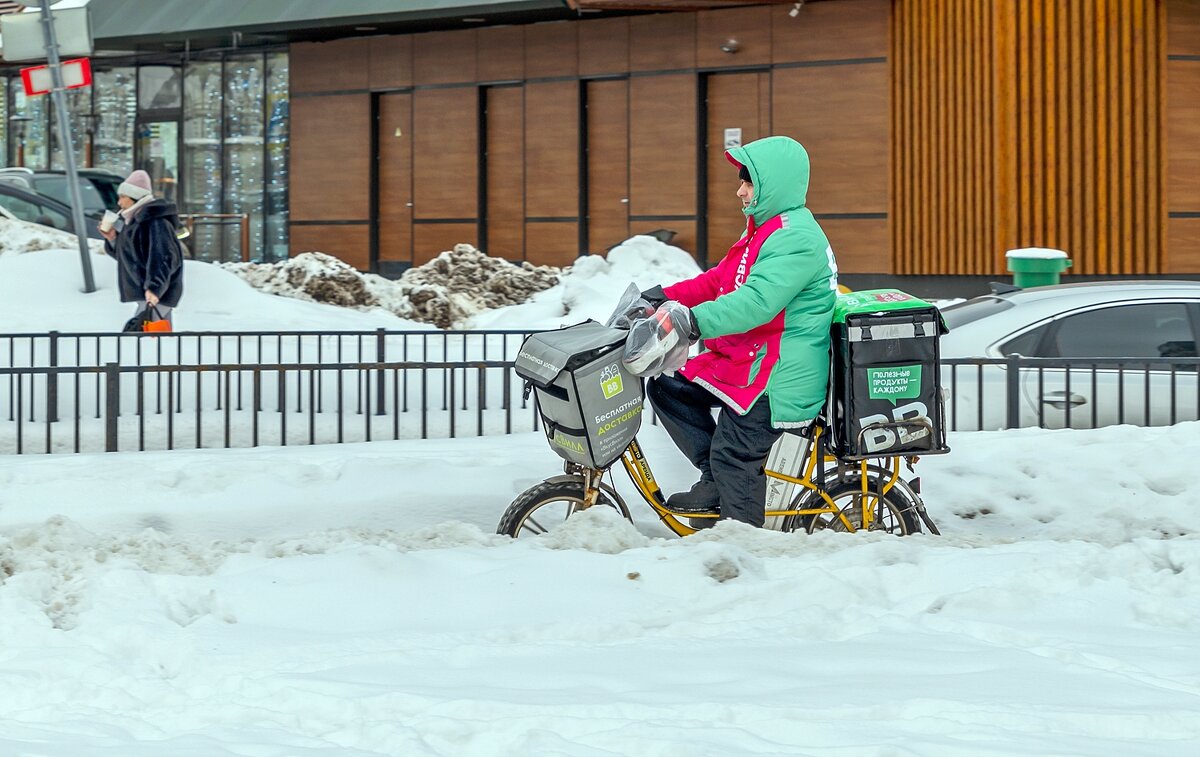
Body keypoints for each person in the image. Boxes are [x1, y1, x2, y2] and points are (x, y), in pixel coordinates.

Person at [639, 136, 839, 527]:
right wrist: (663, 298)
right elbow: (718, 283)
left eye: (748, 182)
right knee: (668, 388)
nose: (740, 190)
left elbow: (757, 302)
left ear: (772, 184)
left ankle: (744, 550)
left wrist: (693, 322)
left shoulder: (796, 238)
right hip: (748, 361)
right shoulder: (765, 231)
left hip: (778, 375)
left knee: (735, 456)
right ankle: (714, 481)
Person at [99, 169, 184, 327]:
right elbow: (128, 257)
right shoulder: (133, 221)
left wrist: (154, 288)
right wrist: (112, 239)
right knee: (155, 340)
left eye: (123, 197)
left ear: (135, 198)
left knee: (139, 338)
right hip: (151, 293)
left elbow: (164, 257)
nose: (119, 203)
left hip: (156, 294)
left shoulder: (155, 222)